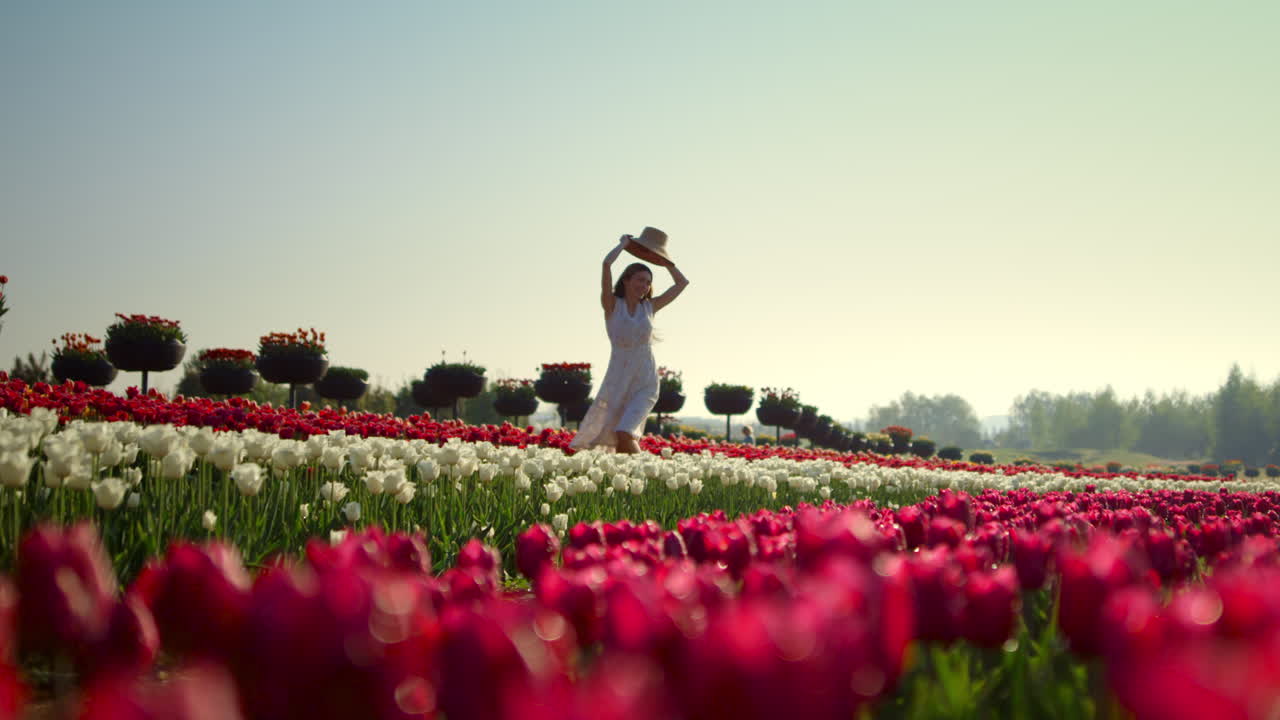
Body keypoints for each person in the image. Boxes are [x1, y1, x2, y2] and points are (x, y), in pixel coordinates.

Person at [570, 228, 689, 453]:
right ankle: (633, 480)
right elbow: (606, 265)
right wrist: (623, 245)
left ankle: (649, 477)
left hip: (645, 382)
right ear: (626, 280)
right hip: (617, 381)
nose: (643, 286)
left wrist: (665, 261)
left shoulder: (650, 307)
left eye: (647, 282)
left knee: (625, 431)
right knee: (616, 438)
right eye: (639, 280)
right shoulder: (612, 305)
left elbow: (682, 283)